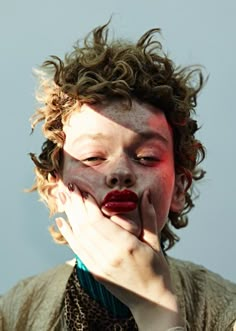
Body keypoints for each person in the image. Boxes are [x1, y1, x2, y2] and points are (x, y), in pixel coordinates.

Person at [0, 22, 235, 331]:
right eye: (92, 157)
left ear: (179, 187)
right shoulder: (14, 314)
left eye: (146, 157)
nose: (120, 172)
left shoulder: (226, 311)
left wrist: (156, 307)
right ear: (56, 189)